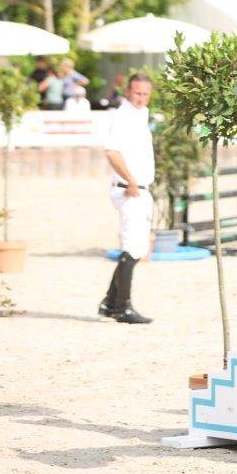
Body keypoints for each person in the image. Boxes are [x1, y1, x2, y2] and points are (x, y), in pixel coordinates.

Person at [98, 72, 154, 324]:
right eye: (137, 93)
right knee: (132, 248)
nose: (141, 98)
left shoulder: (142, 114)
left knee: (137, 247)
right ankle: (122, 307)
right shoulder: (123, 116)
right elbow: (112, 151)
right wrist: (130, 180)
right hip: (130, 188)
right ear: (128, 92)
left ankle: (110, 302)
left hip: (141, 187)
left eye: (145, 94)